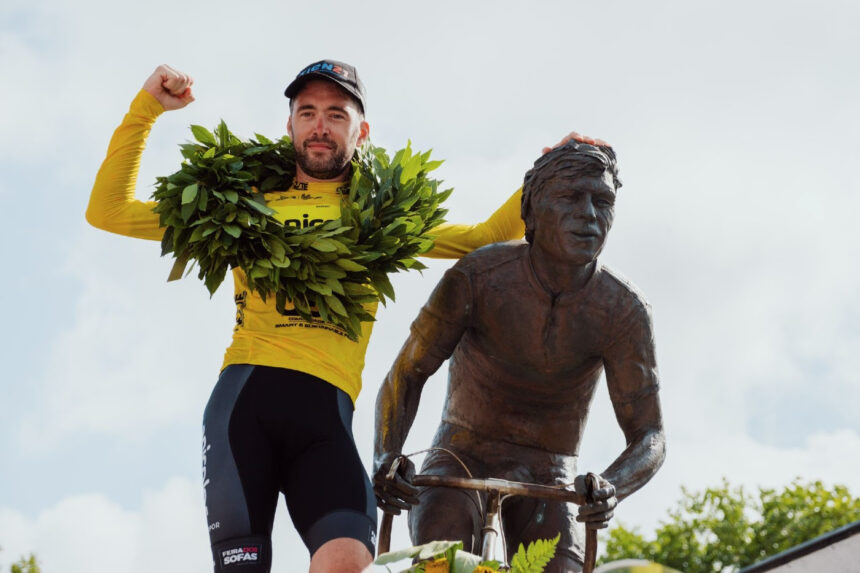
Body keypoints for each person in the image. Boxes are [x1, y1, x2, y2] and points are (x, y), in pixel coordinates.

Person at [86, 60, 598, 572]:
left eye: (335, 113)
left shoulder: (382, 217)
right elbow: (108, 211)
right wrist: (147, 108)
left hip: (327, 419)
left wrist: (549, 169)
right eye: (306, 112)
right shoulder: (240, 207)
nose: (319, 125)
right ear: (289, 126)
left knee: (351, 562)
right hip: (245, 409)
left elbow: (484, 238)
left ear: (361, 130)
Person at [373, 141, 666, 572]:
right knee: (442, 555)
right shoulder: (476, 277)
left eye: (602, 201)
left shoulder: (623, 310)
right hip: (459, 457)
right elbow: (406, 375)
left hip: (552, 476)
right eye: (570, 197)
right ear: (531, 211)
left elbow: (651, 435)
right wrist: (387, 457)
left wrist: (610, 487)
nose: (588, 214)